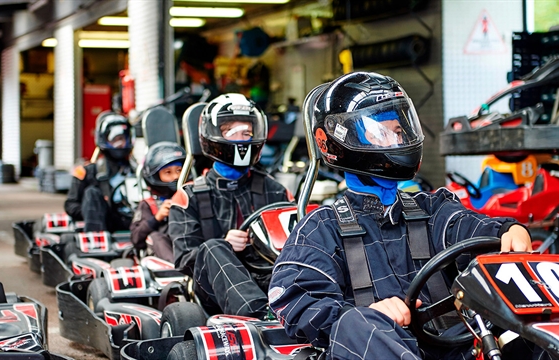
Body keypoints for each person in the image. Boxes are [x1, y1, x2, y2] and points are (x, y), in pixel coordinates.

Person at [268, 72, 533, 360]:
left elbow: (469, 228)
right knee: (354, 323)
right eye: (380, 133)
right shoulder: (321, 227)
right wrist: (367, 316)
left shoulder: (433, 208)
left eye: (397, 131)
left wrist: (509, 231)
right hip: (370, 350)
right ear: (341, 141)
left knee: (528, 313)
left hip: (451, 349)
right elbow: (295, 298)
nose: (395, 141)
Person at [169, 93, 293, 319]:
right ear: (213, 136)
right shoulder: (189, 196)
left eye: (246, 133)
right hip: (213, 290)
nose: (241, 139)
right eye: (231, 132)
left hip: (270, 279)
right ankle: (258, 317)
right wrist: (225, 245)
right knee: (212, 248)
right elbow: (184, 259)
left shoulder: (276, 190)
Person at [65, 111, 134, 232]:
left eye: (122, 139)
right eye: (115, 139)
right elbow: (70, 205)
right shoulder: (87, 171)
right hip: (105, 222)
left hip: (136, 221)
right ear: (103, 139)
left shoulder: (138, 170)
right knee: (91, 193)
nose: (119, 144)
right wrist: (93, 210)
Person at [129, 141, 185, 263]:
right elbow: (136, 237)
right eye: (168, 172)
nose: (176, 177)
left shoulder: (188, 197)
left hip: (184, 246)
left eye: (179, 170)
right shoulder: (148, 204)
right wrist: (157, 217)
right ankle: (177, 269)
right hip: (161, 254)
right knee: (155, 237)